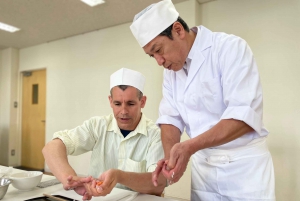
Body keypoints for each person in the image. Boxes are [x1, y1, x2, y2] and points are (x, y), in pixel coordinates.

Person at [130, 0, 275, 200]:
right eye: (151, 56)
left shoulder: (229, 48)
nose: (159, 61)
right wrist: (171, 158)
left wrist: (189, 147)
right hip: (204, 172)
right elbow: (171, 118)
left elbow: (244, 116)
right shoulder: (171, 72)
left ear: (178, 30)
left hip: (244, 171)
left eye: (159, 50)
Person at [42, 68, 166, 200]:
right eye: (117, 104)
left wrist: (120, 176)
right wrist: (71, 179)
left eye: (130, 104)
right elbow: (51, 148)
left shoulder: (156, 135)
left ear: (142, 102)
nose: (123, 111)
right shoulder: (97, 126)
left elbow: (158, 183)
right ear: (110, 101)